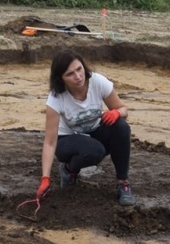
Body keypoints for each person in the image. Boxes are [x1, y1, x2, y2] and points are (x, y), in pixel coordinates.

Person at [37, 49, 134, 207]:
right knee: (94, 151)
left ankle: (123, 183)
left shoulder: (97, 82)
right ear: (61, 78)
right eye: (70, 74)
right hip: (67, 139)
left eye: (79, 69)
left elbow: (123, 109)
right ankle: (69, 170)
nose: (78, 76)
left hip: (95, 131)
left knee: (121, 127)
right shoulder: (56, 99)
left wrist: (117, 112)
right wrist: (45, 178)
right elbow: (49, 142)